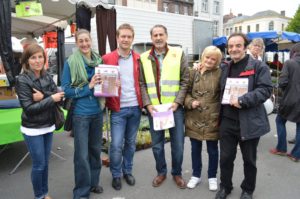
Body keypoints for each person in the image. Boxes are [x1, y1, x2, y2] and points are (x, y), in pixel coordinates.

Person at [215, 33, 272, 199]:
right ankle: (225, 186)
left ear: (245, 47)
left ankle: (248, 190)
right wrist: (199, 67)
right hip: (227, 121)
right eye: (231, 46)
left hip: (249, 121)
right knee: (225, 158)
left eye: (238, 45)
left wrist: (242, 100)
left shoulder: (259, 67)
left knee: (249, 160)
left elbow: (265, 90)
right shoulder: (225, 66)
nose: (234, 49)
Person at [139, 24, 189, 189]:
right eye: (155, 35)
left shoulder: (178, 53)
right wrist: (147, 104)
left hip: (174, 108)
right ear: (151, 38)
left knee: (178, 145)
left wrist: (178, 102)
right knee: (157, 145)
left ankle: (177, 173)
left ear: (166, 36)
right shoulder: (144, 57)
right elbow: (142, 84)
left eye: (161, 34)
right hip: (155, 110)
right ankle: (161, 172)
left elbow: (185, 80)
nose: (158, 38)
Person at [15, 44, 65, 199]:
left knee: (45, 164)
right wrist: (50, 97)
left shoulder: (46, 75)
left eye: (40, 57)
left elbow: (59, 96)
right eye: (33, 57)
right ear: (27, 60)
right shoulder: (22, 80)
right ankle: (39, 195)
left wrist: (43, 97)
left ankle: (45, 193)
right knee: (39, 165)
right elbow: (29, 108)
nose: (37, 61)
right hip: (33, 128)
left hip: (48, 125)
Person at [61, 29, 104, 199]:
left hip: (97, 112)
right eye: (81, 41)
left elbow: (105, 85)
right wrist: (89, 86)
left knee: (95, 150)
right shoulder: (71, 62)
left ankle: (94, 182)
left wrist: (112, 83)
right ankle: (81, 191)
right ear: (77, 43)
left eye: (87, 40)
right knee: (81, 155)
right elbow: (66, 90)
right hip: (81, 114)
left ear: (91, 40)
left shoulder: (98, 59)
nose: (85, 44)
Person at [102, 23, 143, 190]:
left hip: (135, 107)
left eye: (129, 36)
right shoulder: (107, 58)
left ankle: (127, 171)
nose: (125, 39)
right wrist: (110, 84)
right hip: (118, 108)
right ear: (117, 38)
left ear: (132, 39)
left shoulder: (139, 58)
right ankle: (116, 174)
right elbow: (102, 86)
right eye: (123, 36)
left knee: (131, 143)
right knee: (117, 144)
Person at [184, 46, 222, 191]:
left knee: (212, 150)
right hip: (194, 116)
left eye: (213, 59)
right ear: (202, 57)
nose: (209, 61)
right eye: (207, 57)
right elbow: (185, 92)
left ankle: (212, 176)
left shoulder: (220, 73)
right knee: (195, 149)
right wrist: (190, 102)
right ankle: (196, 175)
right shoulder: (193, 72)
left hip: (212, 117)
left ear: (218, 61)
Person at [269, 43, 300, 162]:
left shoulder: (289, 62)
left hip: (290, 99)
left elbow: (282, 82)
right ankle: (296, 154)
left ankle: (281, 148)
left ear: (294, 52)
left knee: (279, 120)